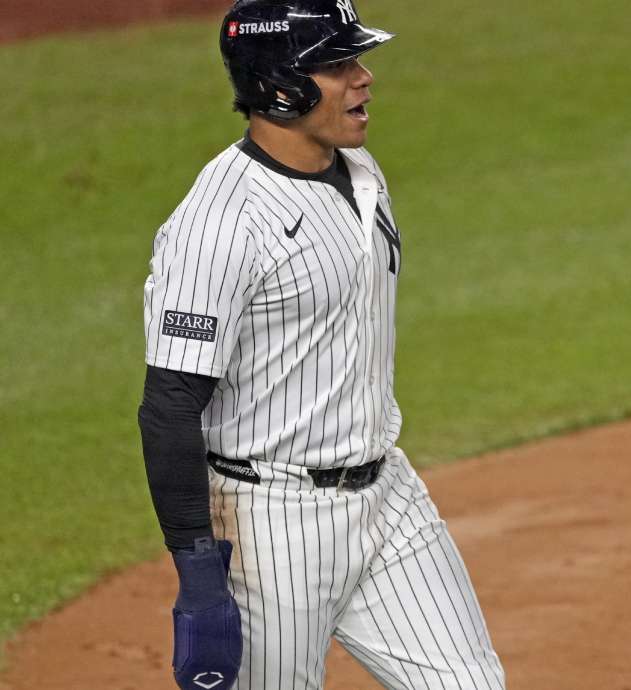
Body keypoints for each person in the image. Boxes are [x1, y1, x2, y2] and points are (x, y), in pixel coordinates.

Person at [137, 1, 506, 688]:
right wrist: (197, 572)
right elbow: (169, 404)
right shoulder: (219, 225)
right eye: (337, 66)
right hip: (269, 525)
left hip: (388, 496)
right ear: (279, 84)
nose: (363, 79)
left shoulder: (361, 176)